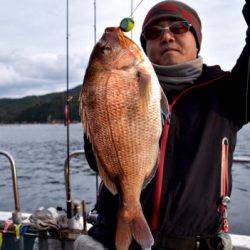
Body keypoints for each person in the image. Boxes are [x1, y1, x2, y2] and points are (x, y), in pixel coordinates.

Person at [83, 0, 250, 249]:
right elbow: (93, 155)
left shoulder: (228, 92)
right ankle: (130, 213)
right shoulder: (123, 84)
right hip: (110, 238)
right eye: (153, 32)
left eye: (179, 28)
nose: (167, 36)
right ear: (145, 47)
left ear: (197, 40)